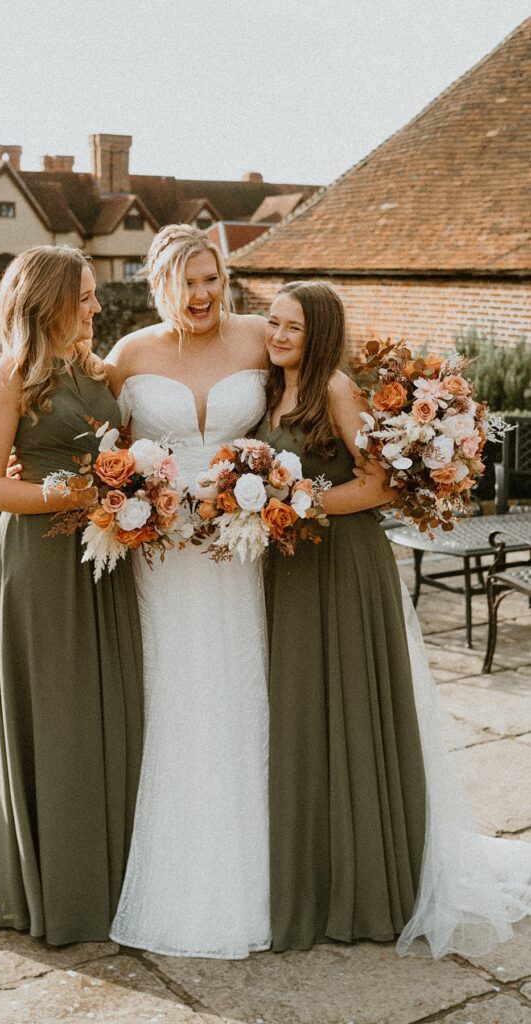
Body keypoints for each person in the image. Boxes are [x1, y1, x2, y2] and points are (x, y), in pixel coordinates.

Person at [255, 280, 531, 958]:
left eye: (292, 326)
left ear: (318, 334)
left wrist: (304, 502)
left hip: (341, 564)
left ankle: (368, 877)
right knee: (299, 711)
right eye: (272, 321)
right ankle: (312, 867)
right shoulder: (269, 390)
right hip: (288, 567)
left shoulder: (337, 391)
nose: (278, 335)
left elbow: (379, 483)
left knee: (349, 705)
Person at [0, 245, 144, 946]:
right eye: (84, 296)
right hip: (41, 564)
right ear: (50, 302)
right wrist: (73, 491)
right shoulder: (11, 377)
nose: (96, 307)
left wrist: (135, 490)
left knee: (108, 713)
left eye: (94, 295)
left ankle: (113, 875)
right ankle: (53, 888)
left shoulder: (98, 371)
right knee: (56, 720)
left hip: (105, 561)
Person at [105, 224, 272, 958]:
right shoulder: (129, 355)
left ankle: (264, 860)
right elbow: (96, 452)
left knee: (243, 685)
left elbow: (311, 402)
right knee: (173, 690)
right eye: (185, 284)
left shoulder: (261, 338)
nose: (201, 296)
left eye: (210, 280)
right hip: (162, 552)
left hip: (242, 549)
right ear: (157, 286)